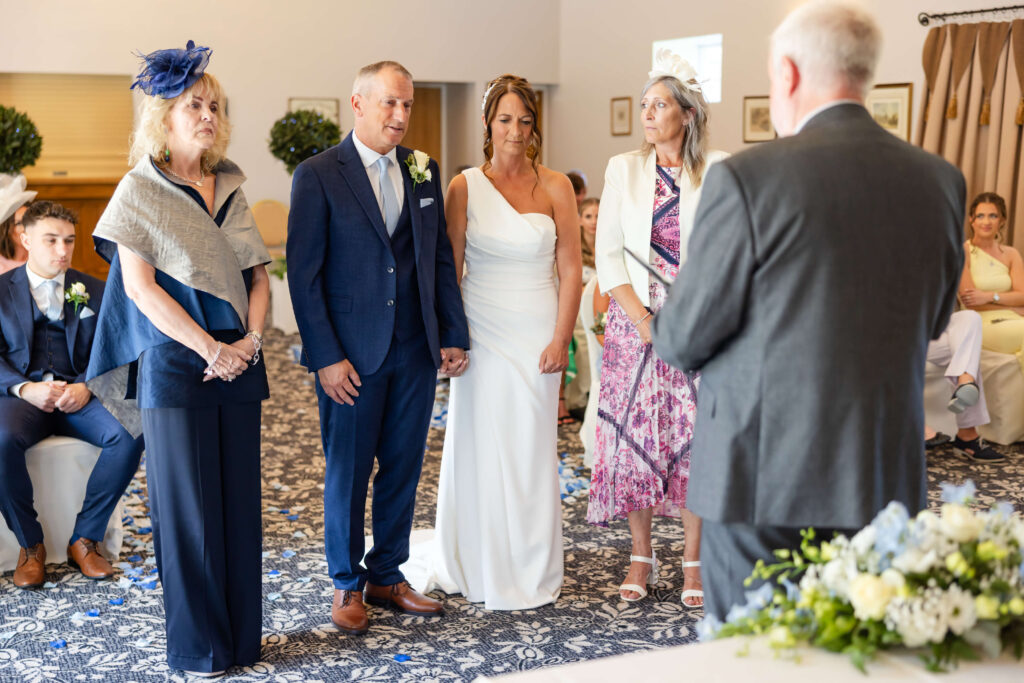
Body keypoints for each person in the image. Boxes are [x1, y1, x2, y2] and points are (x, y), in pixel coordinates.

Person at [651, 0, 964, 621]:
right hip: (882, 480)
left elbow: (683, 339)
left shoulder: (748, 179)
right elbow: (933, 325)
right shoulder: (938, 181)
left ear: (789, 74)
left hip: (761, 485)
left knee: (757, 655)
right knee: (863, 655)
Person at [86, 42, 271, 676]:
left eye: (215, 105)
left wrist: (247, 342)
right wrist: (210, 348)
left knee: (240, 509)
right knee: (189, 515)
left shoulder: (232, 185)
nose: (208, 115)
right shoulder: (139, 188)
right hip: (175, 361)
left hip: (239, 360)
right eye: (194, 104)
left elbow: (259, 277)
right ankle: (200, 649)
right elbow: (140, 289)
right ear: (163, 116)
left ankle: (243, 641)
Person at [287, 61, 470, 634]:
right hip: (349, 355)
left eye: (408, 105)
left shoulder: (423, 170)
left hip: (414, 348)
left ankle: (388, 573)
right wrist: (325, 357)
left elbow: (437, 257)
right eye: (390, 104)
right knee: (348, 470)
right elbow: (303, 274)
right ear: (358, 104)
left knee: (402, 467)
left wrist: (452, 333)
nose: (401, 116)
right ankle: (346, 584)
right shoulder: (317, 174)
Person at [420, 74, 580, 610]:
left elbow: (572, 268)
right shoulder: (464, 186)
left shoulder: (556, 186)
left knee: (531, 449)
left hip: (538, 329)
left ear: (536, 126)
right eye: (505, 119)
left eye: (525, 120)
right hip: (481, 332)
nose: (516, 130)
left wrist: (562, 339)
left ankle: (530, 564)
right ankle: (476, 559)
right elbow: (451, 268)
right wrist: (451, 337)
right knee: (480, 443)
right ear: (489, 123)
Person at [587, 50, 727, 609]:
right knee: (636, 439)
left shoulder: (718, 168)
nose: (648, 114)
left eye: (659, 105)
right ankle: (640, 555)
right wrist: (645, 322)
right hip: (633, 321)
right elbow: (609, 252)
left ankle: (694, 560)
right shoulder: (623, 168)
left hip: (699, 320)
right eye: (644, 105)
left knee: (697, 441)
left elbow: (726, 251)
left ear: (687, 114)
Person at [0, 201, 143, 589]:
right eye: (51, 240)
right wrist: (25, 388)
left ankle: (85, 537)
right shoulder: (0, 291)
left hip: (80, 397)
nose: (63, 250)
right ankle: (30, 545)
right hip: (21, 399)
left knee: (132, 429)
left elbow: (116, 350)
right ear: (24, 238)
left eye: (69, 240)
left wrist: (87, 386)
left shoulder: (94, 288)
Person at [959, 192, 1024, 374]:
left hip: (1012, 320)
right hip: (979, 325)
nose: (986, 222)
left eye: (992, 216)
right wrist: (1011, 307)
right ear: (971, 220)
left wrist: (989, 296)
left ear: (1002, 220)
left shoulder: (1011, 254)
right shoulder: (963, 252)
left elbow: (1023, 296)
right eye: (980, 216)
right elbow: (971, 302)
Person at [925, 310, 1003, 461]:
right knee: (965, 349)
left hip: (926, 332)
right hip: (890, 336)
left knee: (969, 317)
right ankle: (967, 436)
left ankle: (966, 380)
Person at [0, 174, 34, 275]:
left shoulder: (45, 257)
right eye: (20, 223)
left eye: (30, 220)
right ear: (7, 230)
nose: (28, 227)